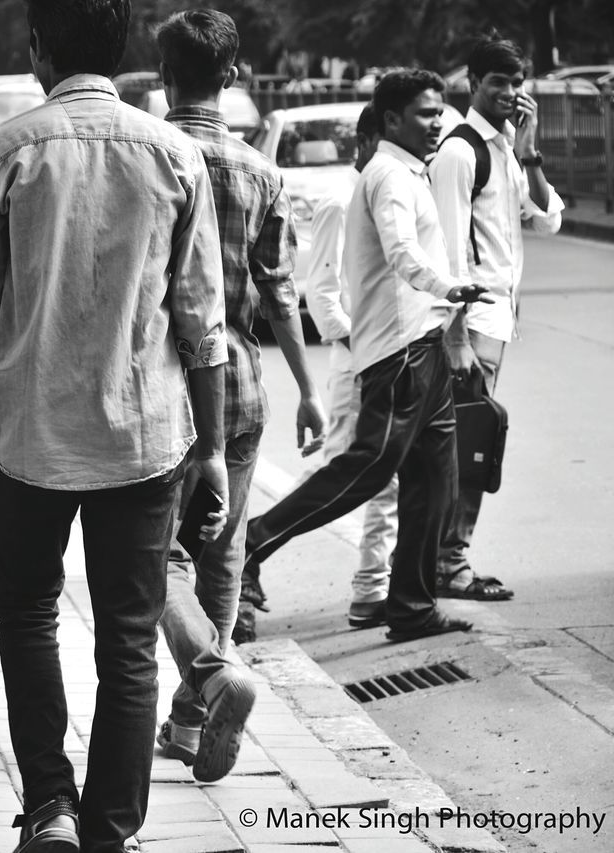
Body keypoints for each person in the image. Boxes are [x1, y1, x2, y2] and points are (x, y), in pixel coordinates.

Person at [0, 2, 230, 849]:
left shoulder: (3, 152)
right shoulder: (176, 154)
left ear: (38, 49)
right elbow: (203, 318)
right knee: (128, 638)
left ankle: (51, 807)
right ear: (122, 54)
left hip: (33, 437)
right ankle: (111, 828)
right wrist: (213, 451)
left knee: (29, 615)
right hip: (144, 440)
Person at [242, 69, 495, 643]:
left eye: (440, 113)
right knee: (363, 472)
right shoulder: (386, 175)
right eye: (428, 114)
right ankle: (251, 543)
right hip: (399, 354)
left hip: (424, 349)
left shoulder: (409, 171)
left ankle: (409, 607)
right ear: (391, 120)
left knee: (435, 481)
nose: (439, 123)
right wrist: (448, 287)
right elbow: (401, 248)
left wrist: (448, 323)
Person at [150, 8, 325, 774]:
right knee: (222, 552)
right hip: (245, 388)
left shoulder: (149, 157)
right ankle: (192, 720)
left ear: (162, 75)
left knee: (153, 553)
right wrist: (310, 388)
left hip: (161, 392)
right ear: (230, 78)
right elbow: (281, 292)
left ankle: (206, 680)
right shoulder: (262, 170)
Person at [428, 33, 563, 602]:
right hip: (473, 325)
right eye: (498, 83)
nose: (510, 93)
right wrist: (456, 333)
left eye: (517, 83)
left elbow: (548, 219)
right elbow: (449, 253)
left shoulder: (508, 147)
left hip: (498, 324)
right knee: (470, 446)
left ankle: (442, 563)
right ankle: (448, 566)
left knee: (471, 446)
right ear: (472, 83)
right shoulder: (461, 151)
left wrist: (528, 150)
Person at [283, 102, 399, 632]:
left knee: (389, 477)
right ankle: (251, 547)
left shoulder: (398, 192)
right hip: (357, 362)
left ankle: (375, 588)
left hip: (394, 359)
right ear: (368, 141)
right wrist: (364, 340)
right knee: (338, 476)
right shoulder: (340, 201)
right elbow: (323, 298)